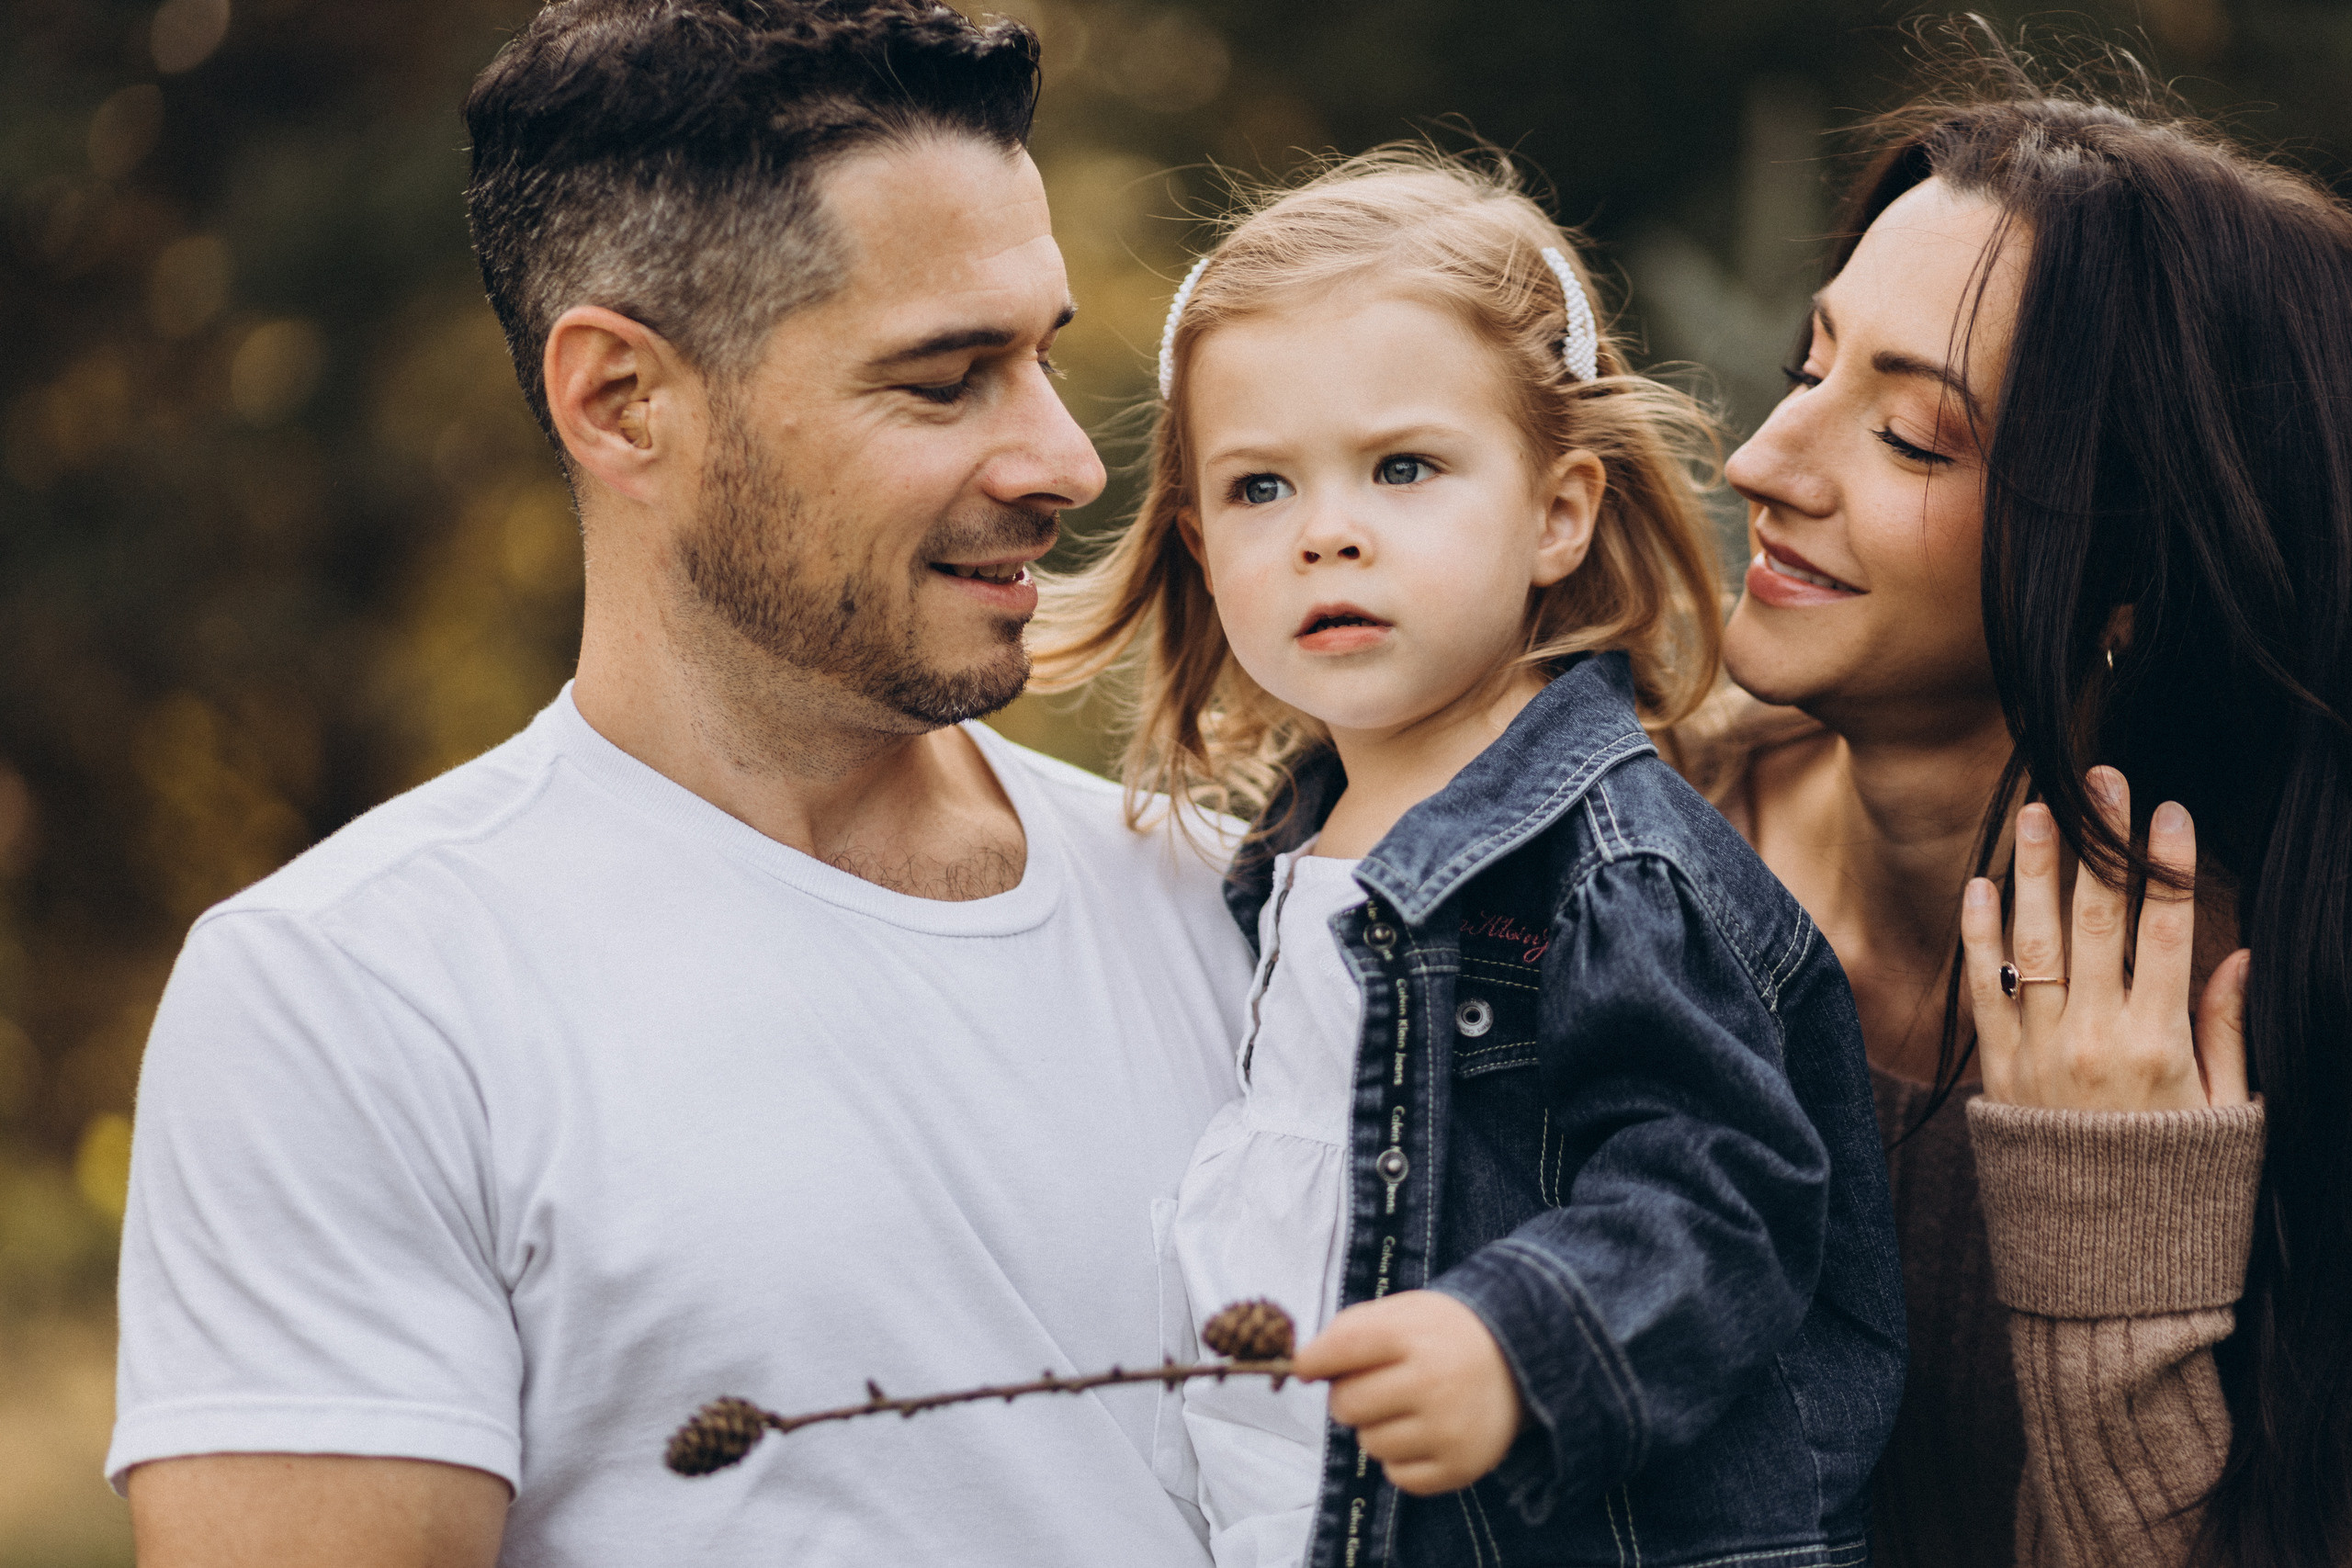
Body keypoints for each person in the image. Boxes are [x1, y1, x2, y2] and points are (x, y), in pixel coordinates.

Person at [107, 4, 1256, 1564]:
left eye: (1040, 357)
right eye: (945, 381)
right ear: (622, 402)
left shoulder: (1245, 910)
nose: (1067, 461)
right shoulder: (353, 997)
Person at [1031, 148, 1907, 1568]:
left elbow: (1727, 1192)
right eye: (1260, 488)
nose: (1327, 534)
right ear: (1196, 541)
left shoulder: (1611, 870)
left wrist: (1518, 1344)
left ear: (1558, 512)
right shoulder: (1283, 856)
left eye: (1404, 469)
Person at [1686, 33, 2352, 1568]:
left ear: (2134, 568)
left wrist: (2117, 1252)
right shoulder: (1623, 845)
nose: (1762, 460)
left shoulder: (2276, 1044)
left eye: (1911, 434)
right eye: (1808, 369)